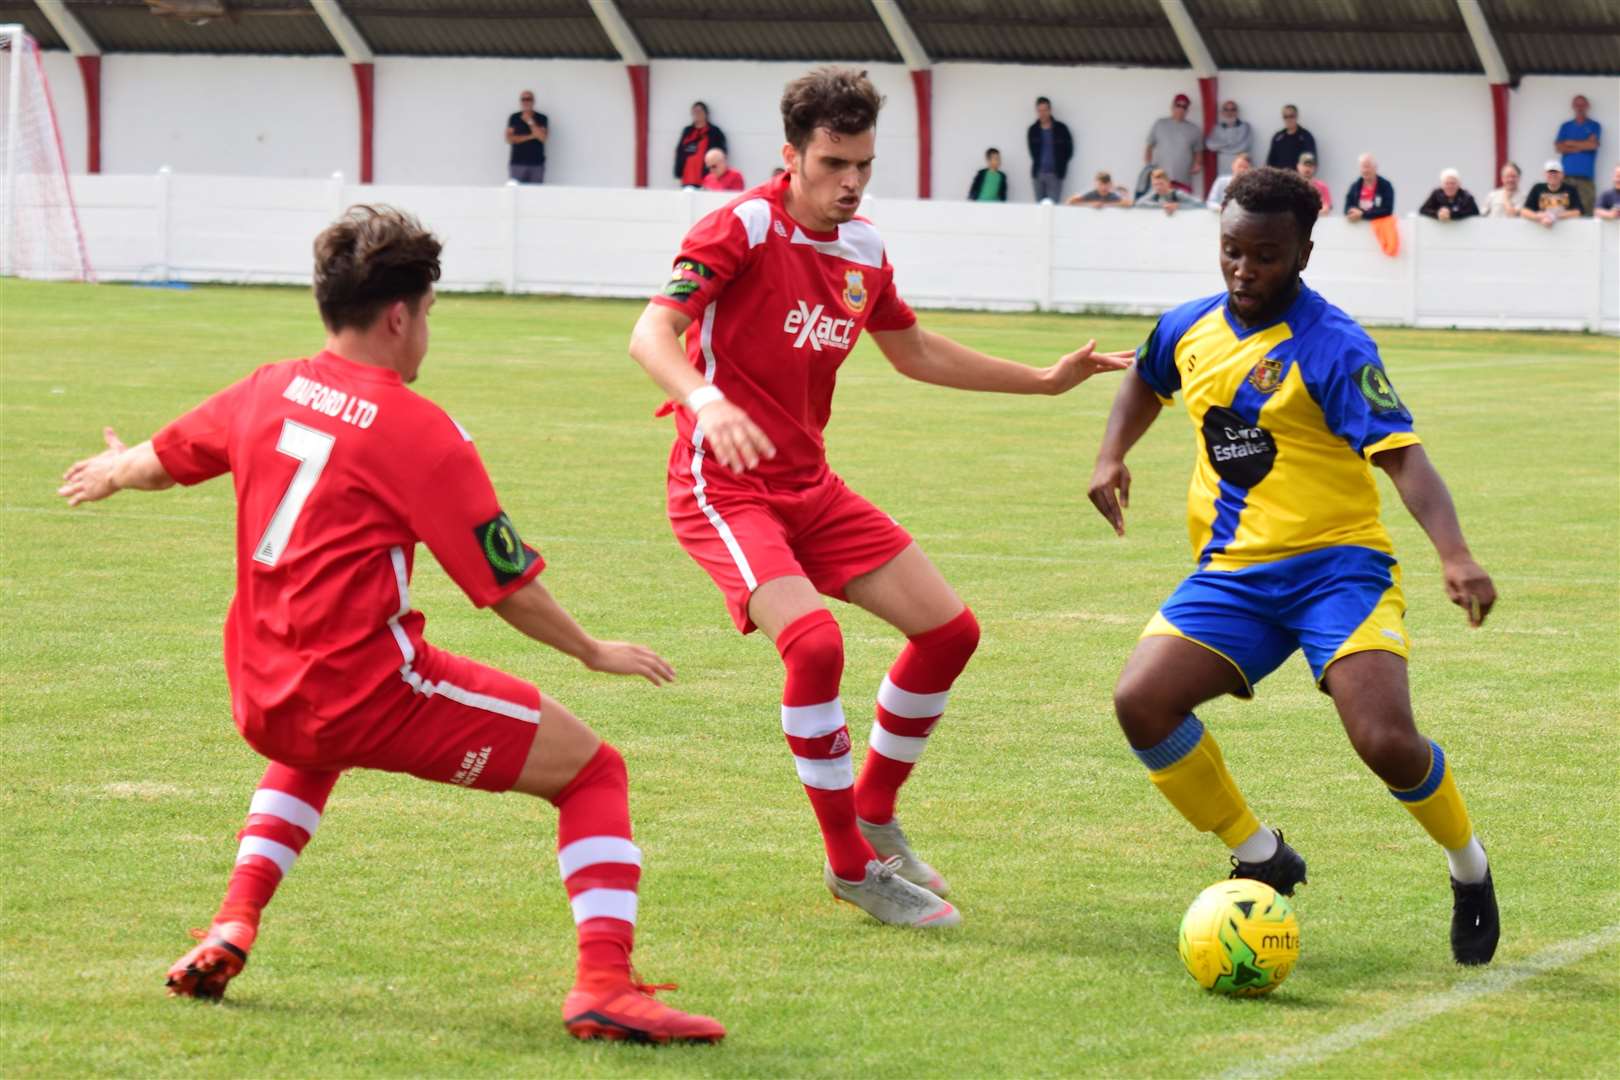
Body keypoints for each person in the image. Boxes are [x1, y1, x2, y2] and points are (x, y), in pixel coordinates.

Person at [56, 206, 726, 1044]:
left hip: (264, 692)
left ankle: (233, 923)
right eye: (431, 316)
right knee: (594, 773)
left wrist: (112, 471)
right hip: (372, 693)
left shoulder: (265, 388)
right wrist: (593, 650)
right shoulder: (420, 432)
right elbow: (506, 586)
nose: (427, 335)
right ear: (401, 315)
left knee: (310, 745)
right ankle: (604, 987)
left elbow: (162, 458)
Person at [627, 67, 1132, 929]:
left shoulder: (862, 249)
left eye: (863, 162)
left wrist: (1045, 383)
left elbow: (915, 351)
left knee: (949, 631)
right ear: (791, 157)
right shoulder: (741, 225)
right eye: (832, 163)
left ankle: (873, 809)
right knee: (815, 648)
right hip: (723, 488)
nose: (851, 182)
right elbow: (651, 330)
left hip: (810, 488)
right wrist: (705, 403)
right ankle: (850, 864)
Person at [1086, 166, 1501, 970]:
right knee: (1141, 702)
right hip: (1234, 576)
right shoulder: (1190, 327)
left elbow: (1405, 459)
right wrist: (1110, 456)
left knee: (1384, 739)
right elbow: (1145, 375)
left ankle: (1469, 868)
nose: (1244, 270)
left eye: (1266, 256)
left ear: (1304, 252)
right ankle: (1259, 851)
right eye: (1232, 252)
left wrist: (1455, 552)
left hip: (1338, 571)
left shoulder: (1333, 346)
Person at [1554, 94, 1601, 216]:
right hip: (1566, 178)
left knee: (1586, 213)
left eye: (1582, 104)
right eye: (1577, 104)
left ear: (1587, 106)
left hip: (1585, 179)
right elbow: (1559, 147)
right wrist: (1584, 144)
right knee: (1564, 212)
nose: (1580, 107)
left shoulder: (1594, 126)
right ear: (1573, 106)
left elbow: (1592, 146)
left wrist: (1570, 143)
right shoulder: (1565, 126)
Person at [1147, 93, 1202, 193]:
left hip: (1183, 176)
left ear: (1187, 110)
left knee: (1183, 205)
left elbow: (1198, 150)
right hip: (1161, 176)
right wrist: (1149, 166)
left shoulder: (1194, 129)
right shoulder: (1160, 124)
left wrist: (1197, 164)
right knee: (1161, 204)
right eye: (1178, 105)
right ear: (1172, 106)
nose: (1181, 109)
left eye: (1184, 106)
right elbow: (1149, 145)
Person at [1026, 97, 1074, 203]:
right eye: (1040, 110)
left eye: (1045, 110)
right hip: (1038, 175)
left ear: (1050, 110)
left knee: (1053, 207)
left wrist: (1061, 166)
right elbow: (1032, 152)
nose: (1042, 113)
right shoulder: (1033, 130)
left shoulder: (1061, 129)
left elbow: (1069, 150)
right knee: (1039, 208)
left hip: (1055, 175)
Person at [675, 101, 728, 190]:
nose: (696, 114)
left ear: (706, 113)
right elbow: (680, 151)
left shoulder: (714, 132)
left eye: (699, 111)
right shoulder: (688, 131)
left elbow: (721, 154)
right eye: (694, 112)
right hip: (687, 178)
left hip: (706, 177)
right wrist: (678, 171)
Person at [1523, 159, 1584, 226]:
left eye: (1556, 172)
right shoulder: (1537, 188)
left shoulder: (1571, 189)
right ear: (1545, 174)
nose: (1553, 175)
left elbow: (1578, 212)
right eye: (1550, 172)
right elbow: (1525, 211)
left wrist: (1554, 216)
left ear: (1562, 174)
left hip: (1565, 230)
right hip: (1540, 229)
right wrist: (1539, 217)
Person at [506, 90, 547, 184]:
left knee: (536, 195)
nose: (526, 102)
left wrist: (529, 121)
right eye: (523, 99)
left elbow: (542, 138)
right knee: (515, 194)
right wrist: (532, 136)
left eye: (528, 99)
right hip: (517, 164)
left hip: (537, 164)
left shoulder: (542, 118)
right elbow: (509, 139)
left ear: (533, 101)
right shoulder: (514, 117)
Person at [1205, 100, 1253, 179]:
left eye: (1232, 109)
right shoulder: (1217, 128)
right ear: (1222, 112)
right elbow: (1209, 145)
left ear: (1237, 112)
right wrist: (1230, 142)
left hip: (1241, 168)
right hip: (1223, 168)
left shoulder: (1245, 127)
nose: (1229, 112)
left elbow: (1244, 146)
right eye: (1226, 109)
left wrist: (1221, 148)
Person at [1344, 153, 1394, 222]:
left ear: (1375, 168)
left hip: (1378, 228)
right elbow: (1347, 208)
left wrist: (1363, 214)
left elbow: (1387, 211)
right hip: (1357, 227)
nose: (1365, 170)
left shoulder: (1385, 186)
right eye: (1363, 167)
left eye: (1368, 167)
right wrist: (1351, 212)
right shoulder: (1354, 186)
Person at [1265, 104, 1315, 171]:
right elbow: (1270, 162)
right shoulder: (1278, 137)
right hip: (1279, 178)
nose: (1288, 119)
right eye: (1285, 116)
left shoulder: (1305, 136)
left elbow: (1310, 162)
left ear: (1296, 116)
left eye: (1291, 116)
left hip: (1298, 179)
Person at [1135, 167, 1205, 214]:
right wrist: (1162, 205)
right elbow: (1139, 203)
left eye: (1161, 184)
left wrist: (1178, 206)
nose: (1158, 187)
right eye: (1155, 185)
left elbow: (1200, 203)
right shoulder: (1154, 194)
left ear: (1168, 183)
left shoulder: (1178, 194)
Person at [1066, 170, 1132, 208]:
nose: (1103, 188)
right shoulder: (1090, 193)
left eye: (1106, 184)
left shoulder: (1113, 195)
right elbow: (1070, 201)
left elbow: (1129, 203)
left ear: (1110, 184)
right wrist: (1091, 204)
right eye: (1100, 184)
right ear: (1096, 184)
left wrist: (1105, 205)